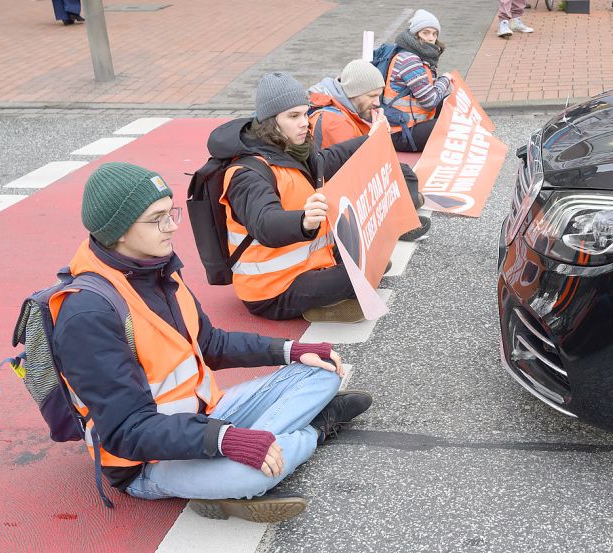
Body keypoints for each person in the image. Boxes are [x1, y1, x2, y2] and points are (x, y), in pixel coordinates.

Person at [53, 161, 373, 523]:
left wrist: (290, 351)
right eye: (157, 218)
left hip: (210, 414)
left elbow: (210, 342)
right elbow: (128, 432)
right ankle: (313, 430)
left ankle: (264, 448)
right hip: (149, 460)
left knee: (324, 371)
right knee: (249, 476)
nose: (173, 225)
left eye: (170, 212)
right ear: (118, 230)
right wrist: (225, 440)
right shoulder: (88, 314)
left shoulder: (156, 270)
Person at [209, 71, 398, 322]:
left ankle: (329, 299)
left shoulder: (289, 149)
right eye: (293, 116)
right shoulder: (247, 173)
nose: (304, 122)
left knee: (375, 256)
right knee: (365, 269)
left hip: (306, 266)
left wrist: (371, 140)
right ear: (270, 122)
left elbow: (327, 160)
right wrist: (303, 221)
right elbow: (264, 223)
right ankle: (322, 304)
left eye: (305, 113)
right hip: (271, 289)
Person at [307, 59, 432, 238]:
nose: (377, 103)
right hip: (332, 189)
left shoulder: (342, 108)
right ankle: (396, 224)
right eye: (371, 96)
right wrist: (379, 134)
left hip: (336, 180)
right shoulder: (334, 120)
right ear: (354, 93)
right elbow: (358, 167)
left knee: (403, 173)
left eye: (378, 96)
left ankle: (402, 211)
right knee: (397, 176)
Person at [384, 9, 452, 151]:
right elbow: (430, 102)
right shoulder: (409, 60)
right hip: (400, 132)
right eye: (425, 32)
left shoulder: (419, 55)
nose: (431, 38)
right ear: (415, 34)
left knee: (452, 101)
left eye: (434, 33)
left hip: (410, 123)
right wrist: (445, 79)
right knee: (452, 125)